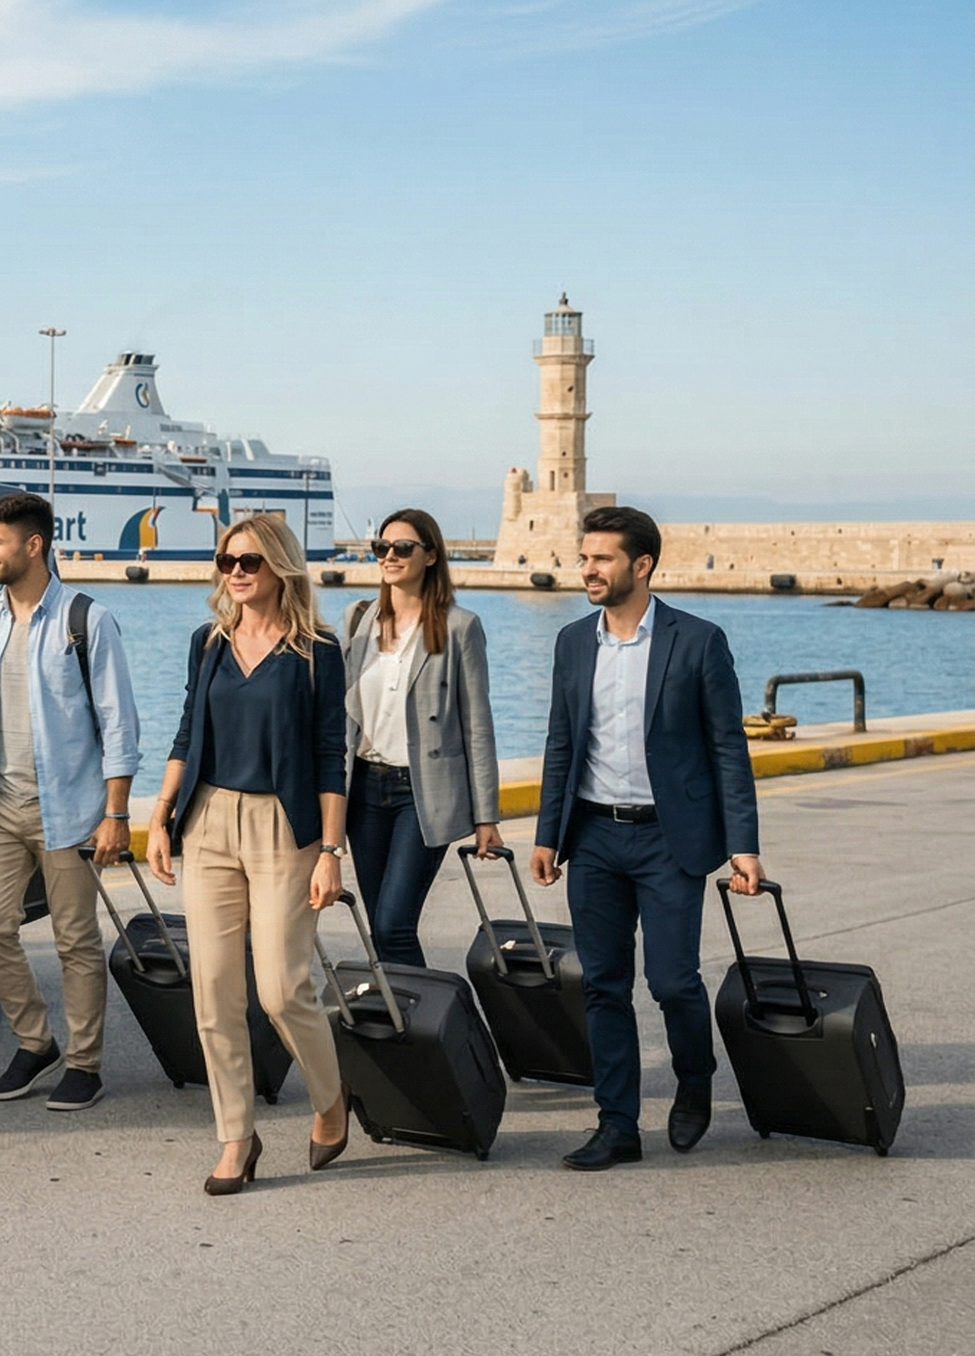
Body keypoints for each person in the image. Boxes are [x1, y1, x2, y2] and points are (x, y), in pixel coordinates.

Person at [532, 505, 764, 1171]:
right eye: (584, 558)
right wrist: (548, 834)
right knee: (602, 984)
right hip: (593, 835)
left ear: (642, 565)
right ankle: (617, 1125)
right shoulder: (573, 642)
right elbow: (560, 741)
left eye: (601, 559)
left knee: (671, 980)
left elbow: (728, 748)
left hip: (670, 838)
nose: (587, 569)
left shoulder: (698, 641)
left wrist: (744, 845)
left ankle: (694, 1078)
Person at [145, 514, 350, 1195]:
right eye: (227, 561)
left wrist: (330, 850)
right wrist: (161, 814)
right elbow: (186, 732)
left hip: (282, 827)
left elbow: (331, 755)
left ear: (280, 568)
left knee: (283, 990)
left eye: (250, 562)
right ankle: (236, 1136)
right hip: (207, 820)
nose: (235, 572)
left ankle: (331, 1100)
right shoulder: (208, 643)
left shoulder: (317, 650)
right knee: (212, 993)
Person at [0, 492, 142, 1112]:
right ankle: (36, 1041)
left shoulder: (86, 619)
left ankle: (84, 1063)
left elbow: (119, 723)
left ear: (33, 546)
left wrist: (116, 814)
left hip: (70, 808)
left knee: (75, 941)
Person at [341, 509, 504, 969]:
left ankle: (424, 1008)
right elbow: (340, 717)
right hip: (364, 789)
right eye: (381, 548)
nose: (389, 556)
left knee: (394, 924)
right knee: (381, 926)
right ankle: (403, 1008)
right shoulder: (358, 620)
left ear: (430, 556)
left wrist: (486, 816)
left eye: (402, 548)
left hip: (422, 793)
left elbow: (477, 725)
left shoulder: (459, 626)